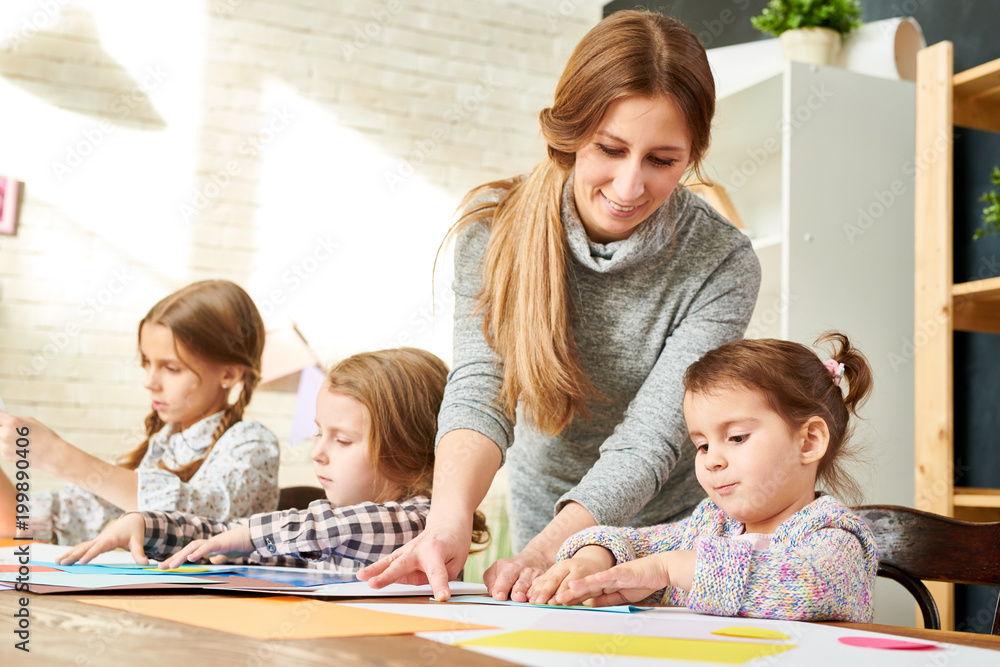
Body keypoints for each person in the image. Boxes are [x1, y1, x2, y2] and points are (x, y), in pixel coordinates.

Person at [359, 10, 761, 602]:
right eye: (611, 148)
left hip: (672, 538)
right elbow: (479, 389)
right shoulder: (493, 232)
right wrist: (446, 523)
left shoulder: (724, 264)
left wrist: (549, 550)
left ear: (692, 156)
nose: (629, 187)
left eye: (662, 160)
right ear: (569, 133)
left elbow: (652, 438)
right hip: (543, 514)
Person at [529, 333, 879, 622]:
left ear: (809, 441)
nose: (712, 460)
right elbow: (631, 543)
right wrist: (594, 558)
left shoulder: (834, 535)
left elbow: (810, 587)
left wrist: (670, 569)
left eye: (737, 437)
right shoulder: (710, 525)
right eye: (701, 445)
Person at [58, 348, 489, 572]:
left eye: (342, 440)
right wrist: (151, 525)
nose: (317, 452)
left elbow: (327, 529)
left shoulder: (424, 524)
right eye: (321, 433)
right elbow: (237, 541)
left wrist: (247, 536)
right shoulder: (312, 536)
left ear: (409, 449)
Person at [0, 280, 279, 544]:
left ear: (229, 373)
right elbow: (17, 520)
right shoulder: (161, 447)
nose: (150, 382)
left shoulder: (252, 443)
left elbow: (198, 521)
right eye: (147, 363)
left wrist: (56, 455)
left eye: (172, 368)